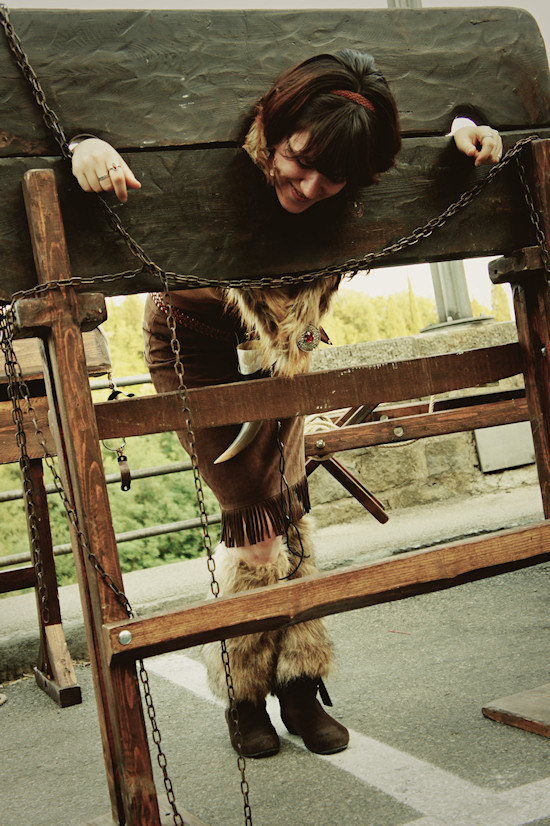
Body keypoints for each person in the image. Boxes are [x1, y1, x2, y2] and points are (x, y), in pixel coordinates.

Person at [70, 50, 502, 759]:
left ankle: (299, 686)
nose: (304, 187)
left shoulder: (347, 176)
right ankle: (245, 696)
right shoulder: (234, 155)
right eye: (296, 161)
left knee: (292, 512)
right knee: (256, 525)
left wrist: (464, 126)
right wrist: (83, 144)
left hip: (284, 345)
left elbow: (429, 136)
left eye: (331, 179)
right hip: (195, 346)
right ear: (271, 128)